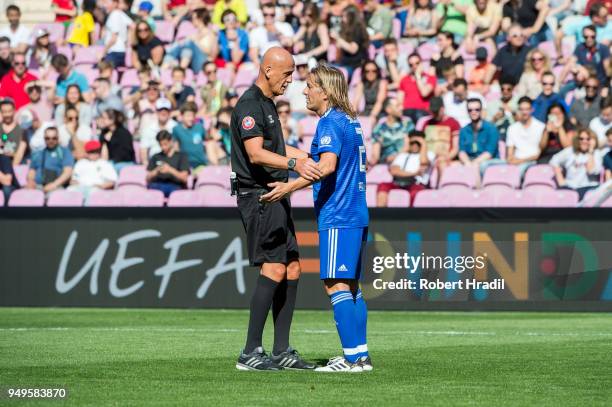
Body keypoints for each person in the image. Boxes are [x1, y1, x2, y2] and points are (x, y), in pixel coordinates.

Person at [260, 62, 370, 372]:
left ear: (324, 90)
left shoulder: (329, 123)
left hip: (338, 213)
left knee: (335, 285)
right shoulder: (350, 121)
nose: (305, 91)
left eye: (310, 86)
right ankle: (360, 355)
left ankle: (351, 360)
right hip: (356, 211)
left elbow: (326, 167)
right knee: (351, 286)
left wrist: (288, 188)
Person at [230, 47, 319, 371]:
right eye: (287, 73)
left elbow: (277, 149)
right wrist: (295, 163)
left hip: (277, 195)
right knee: (274, 267)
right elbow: (256, 154)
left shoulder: (267, 105)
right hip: (260, 195)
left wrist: (310, 157)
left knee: (293, 267)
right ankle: (250, 351)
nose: (291, 80)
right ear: (268, 70)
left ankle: (281, 351)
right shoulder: (250, 105)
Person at [377, 131, 434, 207]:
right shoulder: (403, 155)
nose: (414, 145)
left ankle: (410, 217)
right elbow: (394, 171)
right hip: (399, 182)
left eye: (417, 143)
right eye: (412, 143)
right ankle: (381, 214)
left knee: (415, 192)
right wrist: (414, 173)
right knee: (383, 185)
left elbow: (424, 162)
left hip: (416, 184)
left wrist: (423, 144)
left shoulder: (429, 154)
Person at [550, 129, 603, 199]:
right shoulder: (570, 151)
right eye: (581, 139)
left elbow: (591, 171)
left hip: (589, 188)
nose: (584, 141)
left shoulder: (596, 153)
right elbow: (554, 160)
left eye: (588, 139)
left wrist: (590, 152)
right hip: (570, 187)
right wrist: (561, 180)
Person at [458, 98, 501, 176]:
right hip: (470, 160)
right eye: (470, 110)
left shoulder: (491, 129)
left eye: (477, 109)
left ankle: (477, 188)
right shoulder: (463, 130)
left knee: (478, 166)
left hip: (489, 162)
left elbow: (489, 153)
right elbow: (462, 151)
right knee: (452, 166)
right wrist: (467, 163)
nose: (473, 112)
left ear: (481, 111)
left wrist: (474, 163)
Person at [420, 96, 461, 176]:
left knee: (441, 164)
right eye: (432, 111)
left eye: (436, 111)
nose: (434, 114)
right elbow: (422, 144)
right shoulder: (426, 123)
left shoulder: (453, 123)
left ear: (442, 109)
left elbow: (456, 148)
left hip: (445, 158)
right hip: (428, 158)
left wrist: (446, 158)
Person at [26, 126, 74, 193]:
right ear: (44, 139)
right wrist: (31, 181)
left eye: (54, 138)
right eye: (47, 138)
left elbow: (67, 172)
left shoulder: (64, 152)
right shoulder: (38, 153)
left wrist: (54, 185)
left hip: (56, 187)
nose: (50, 141)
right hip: (37, 186)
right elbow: (32, 171)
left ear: (58, 138)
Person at [506, 96, 545, 175]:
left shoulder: (541, 127)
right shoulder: (512, 128)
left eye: (527, 109)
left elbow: (538, 154)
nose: (524, 112)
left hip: (532, 162)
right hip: (515, 162)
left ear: (532, 110)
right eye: (522, 109)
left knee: (519, 171)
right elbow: (509, 155)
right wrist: (512, 161)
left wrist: (520, 161)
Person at [369, 98, 414, 166]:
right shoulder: (379, 129)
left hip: (404, 162)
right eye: (397, 106)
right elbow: (376, 155)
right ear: (388, 109)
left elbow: (407, 147)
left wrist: (395, 157)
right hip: (384, 164)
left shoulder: (407, 124)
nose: (402, 108)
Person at [330, 6, 369, 81]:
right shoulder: (346, 30)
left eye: (344, 16)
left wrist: (338, 38)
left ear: (352, 17)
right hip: (343, 64)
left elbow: (353, 49)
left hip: (354, 66)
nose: (342, 19)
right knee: (322, 69)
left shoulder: (358, 29)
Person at [146, 130, 189, 197]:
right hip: (157, 185)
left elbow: (184, 178)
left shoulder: (181, 156)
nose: (163, 147)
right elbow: (147, 177)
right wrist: (157, 170)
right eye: (161, 145)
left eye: (165, 144)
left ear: (171, 141)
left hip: (175, 186)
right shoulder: (156, 157)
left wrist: (170, 170)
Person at [172, 102, 208, 174]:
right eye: (188, 116)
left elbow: (207, 140)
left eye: (193, 116)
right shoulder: (176, 129)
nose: (191, 118)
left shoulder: (199, 127)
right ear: (182, 116)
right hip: (185, 163)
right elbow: (175, 147)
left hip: (200, 162)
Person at [398, 52, 436, 123]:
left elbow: (424, 93)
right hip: (407, 111)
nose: (414, 66)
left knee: (417, 115)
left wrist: (418, 76)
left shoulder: (430, 78)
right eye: (411, 65)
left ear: (421, 63)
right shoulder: (404, 80)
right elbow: (400, 99)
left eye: (417, 63)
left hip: (423, 112)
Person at [140, 98, 177, 166]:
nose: (163, 112)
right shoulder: (148, 128)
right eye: (160, 110)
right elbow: (143, 150)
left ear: (170, 112)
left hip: (172, 163)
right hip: (154, 163)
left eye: (166, 110)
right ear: (156, 112)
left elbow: (178, 148)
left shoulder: (176, 127)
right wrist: (146, 165)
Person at [102, 0, 133, 69]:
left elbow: (113, 39)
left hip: (114, 52)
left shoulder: (114, 15)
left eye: (106, 3)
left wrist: (103, 53)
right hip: (120, 51)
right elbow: (133, 25)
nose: (104, 5)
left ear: (115, 3)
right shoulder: (119, 13)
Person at [0, 99, 27, 166]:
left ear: (14, 111)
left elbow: (20, 153)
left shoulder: (22, 130)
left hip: (17, 166)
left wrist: (11, 171)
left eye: (9, 111)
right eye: (4, 111)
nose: (7, 114)